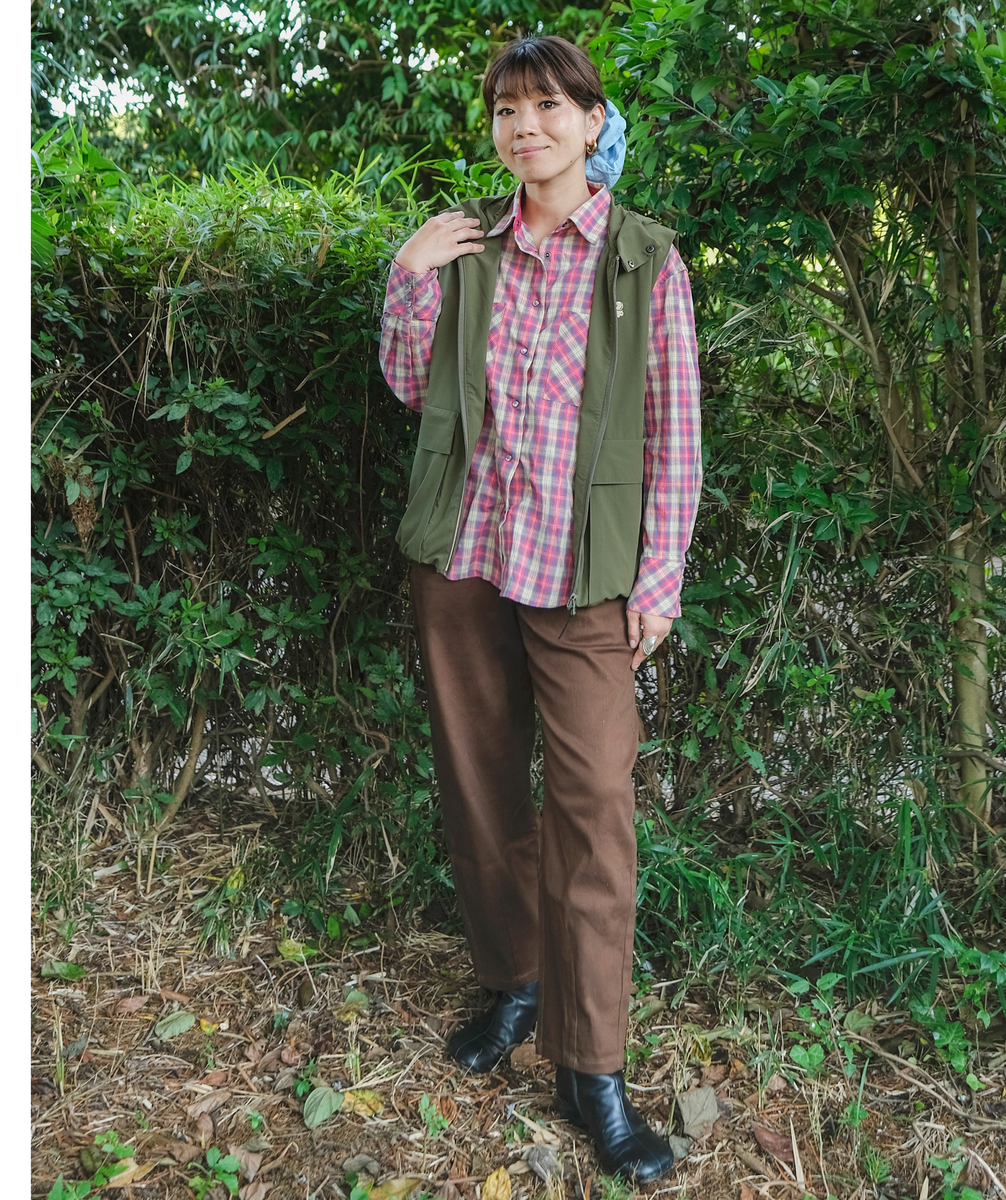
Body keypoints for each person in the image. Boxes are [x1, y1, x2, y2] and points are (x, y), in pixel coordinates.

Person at [378, 34, 702, 1185]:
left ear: (591, 120)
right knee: (479, 781)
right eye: (508, 110)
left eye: (549, 106)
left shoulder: (645, 260)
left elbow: (675, 433)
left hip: (586, 571)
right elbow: (413, 389)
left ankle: (590, 1069)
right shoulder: (465, 246)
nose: (526, 127)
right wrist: (408, 277)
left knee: (595, 802)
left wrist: (659, 578)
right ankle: (514, 980)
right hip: (465, 553)